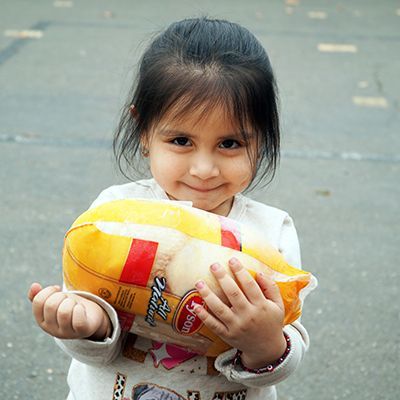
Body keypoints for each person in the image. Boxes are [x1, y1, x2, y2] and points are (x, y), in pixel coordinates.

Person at [28, 17, 315, 400]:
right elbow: (92, 337)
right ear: (144, 131)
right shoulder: (117, 215)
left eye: (230, 143)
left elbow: (284, 350)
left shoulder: (268, 232)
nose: (204, 169)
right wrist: (87, 324)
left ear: (261, 141)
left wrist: (264, 343)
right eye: (181, 140)